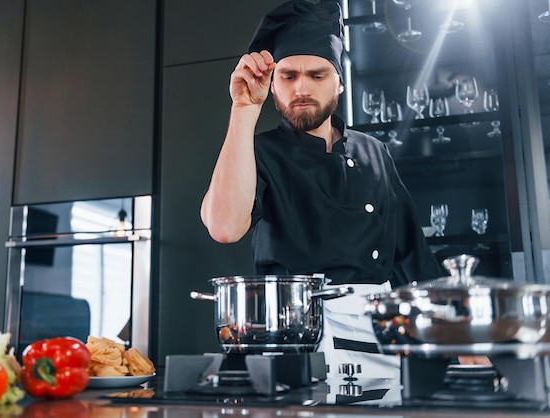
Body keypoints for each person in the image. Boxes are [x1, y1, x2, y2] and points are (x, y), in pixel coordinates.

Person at [200, 0, 485, 387]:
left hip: (381, 339)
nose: (301, 88)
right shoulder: (258, 151)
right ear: (272, 82)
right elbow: (224, 226)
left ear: (340, 82)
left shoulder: (374, 152)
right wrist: (244, 110)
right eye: (288, 76)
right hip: (295, 340)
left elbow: (416, 261)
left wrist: (460, 337)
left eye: (317, 75)